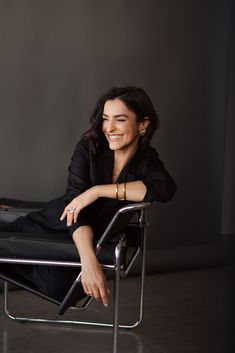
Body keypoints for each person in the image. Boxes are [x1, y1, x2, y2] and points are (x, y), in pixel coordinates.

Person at [0, 86, 176, 307]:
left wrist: (98, 190)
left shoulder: (146, 160)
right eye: (105, 119)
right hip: (50, 227)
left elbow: (165, 189)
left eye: (120, 119)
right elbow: (74, 206)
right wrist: (89, 260)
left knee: (57, 286)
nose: (109, 128)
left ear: (143, 124)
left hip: (85, 242)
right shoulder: (88, 146)